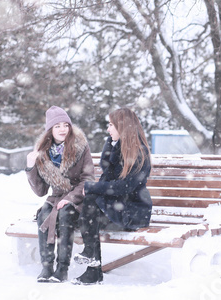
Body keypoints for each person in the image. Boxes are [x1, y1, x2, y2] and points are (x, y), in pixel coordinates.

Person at [72, 107, 152, 285]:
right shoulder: (115, 147)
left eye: (111, 125)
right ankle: (91, 262)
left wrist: (92, 187)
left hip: (133, 211)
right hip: (117, 208)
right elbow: (107, 182)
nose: (108, 130)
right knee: (89, 210)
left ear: (123, 127)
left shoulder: (139, 154)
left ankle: (92, 264)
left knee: (91, 205)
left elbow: (125, 187)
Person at [26, 106, 95, 283]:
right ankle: (47, 267)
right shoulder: (43, 152)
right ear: (50, 130)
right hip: (55, 198)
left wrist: (70, 198)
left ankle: (62, 269)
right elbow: (40, 191)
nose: (63, 129)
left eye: (66, 125)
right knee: (44, 214)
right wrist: (30, 167)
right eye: (57, 126)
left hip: (78, 198)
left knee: (65, 213)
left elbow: (88, 179)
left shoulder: (81, 147)